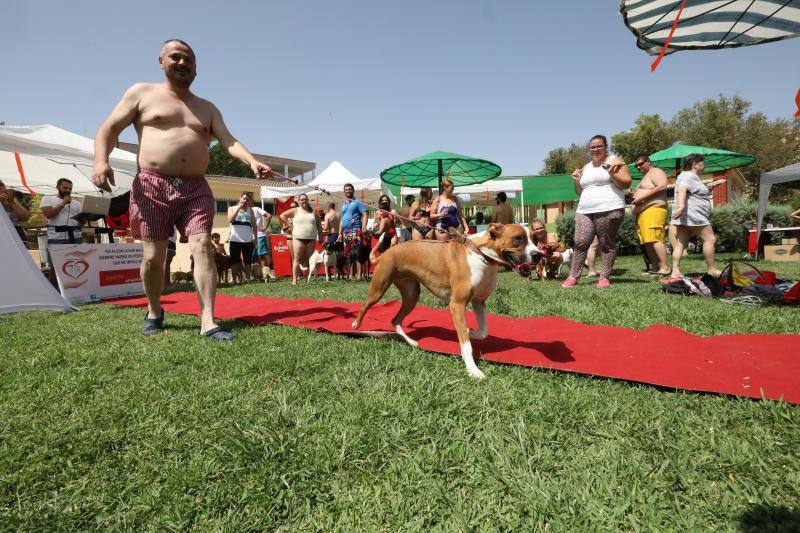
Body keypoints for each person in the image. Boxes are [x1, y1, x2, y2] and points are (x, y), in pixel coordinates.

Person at [91, 39, 271, 340]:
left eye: (189, 59)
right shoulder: (141, 93)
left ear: (196, 69)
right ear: (161, 61)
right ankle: (154, 309)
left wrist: (252, 161)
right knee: (153, 258)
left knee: (202, 246)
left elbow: (228, 141)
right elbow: (108, 128)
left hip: (195, 188)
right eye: (175, 57)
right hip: (152, 184)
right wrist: (100, 161)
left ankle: (208, 320)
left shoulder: (207, 108)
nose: (182, 62)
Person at [562, 134, 632, 288]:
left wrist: (611, 172)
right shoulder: (586, 167)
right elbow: (580, 191)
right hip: (585, 209)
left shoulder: (615, 161)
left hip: (609, 207)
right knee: (580, 242)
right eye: (592, 147)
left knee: (606, 243)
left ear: (605, 147)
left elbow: (626, 183)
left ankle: (604, 277)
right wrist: (576, 181)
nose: (595, 149)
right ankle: (573, 276)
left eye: (599, 146)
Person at [669, 154, 725, 279]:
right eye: (702, 163)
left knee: (680, 243)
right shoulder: (689, 176)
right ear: (695, 165)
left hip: (685, 218)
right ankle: (711, 269)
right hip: (694, 216)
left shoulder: (687, 176)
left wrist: (712, 185)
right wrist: (682, 206)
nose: (704, 166)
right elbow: (682, 190)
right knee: (710, 239)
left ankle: (675, 271)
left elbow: (694, 190)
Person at [631, 154, 670, 275]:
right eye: (636, 165)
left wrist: (642, 196)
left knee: (654, 238)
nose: (638, 167)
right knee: (647, 241)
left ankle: (665, 267)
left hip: (654, 209)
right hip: (643, 212)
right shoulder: (644, 177)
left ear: (648, 162)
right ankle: (655, 267)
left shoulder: (656, 171)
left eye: (640, 164)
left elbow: (662, 186)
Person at [280, 193, 324, 285]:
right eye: (302, 200)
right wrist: (289, 225)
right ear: (299, 201)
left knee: (308, 259)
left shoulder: (313, 212)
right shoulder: (295, 210)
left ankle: (307, 280)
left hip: (311, 238)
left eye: (305, 199)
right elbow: (282, 216)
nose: (304, 201)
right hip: (298, 238)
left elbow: (319, 225)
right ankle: (294, 280)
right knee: (297, 259)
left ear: (308, 200)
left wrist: (320, 236)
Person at [337, 183, 368, 280]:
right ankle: (351, 275)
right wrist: (339, 233)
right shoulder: (344, 204)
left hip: (355, 230)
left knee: (357, 253)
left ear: (353, 190)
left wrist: (364, 226)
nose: (348, 191)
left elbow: (365, 213)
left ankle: (359, 275)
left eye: (350, 189)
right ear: (344, 191)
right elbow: (342, 220)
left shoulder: (357, 201)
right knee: (349, 254)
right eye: (346, 189)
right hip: (346, 232)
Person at [40, 178, 84, 244]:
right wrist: (63, 203)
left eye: (70, 189)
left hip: (76, 238)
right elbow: (48, 215)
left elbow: (82, 222)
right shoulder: (47, 198)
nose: (68, 190)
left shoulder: (77, 203)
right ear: (57, 187)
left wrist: (86, 218)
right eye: (65, 188)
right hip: (57, 239)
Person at [227, 191, 258, 284]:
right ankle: (234, 279)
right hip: (234, 239)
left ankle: (247, 278)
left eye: (247, 200)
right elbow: (230, 220)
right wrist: (238, 209)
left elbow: (254, 225)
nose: (245, 201)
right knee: (234, 261)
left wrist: (255, 238)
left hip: (247, 240)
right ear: (240, 198)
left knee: (248, 260)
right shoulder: (231, 208)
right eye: (244, 198)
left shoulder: (250, 210)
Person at [252, 202, 275, 282]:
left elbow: (269, 215)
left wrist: (265, 227)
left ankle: (265, 275)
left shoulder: (256, 209)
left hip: (259, 236)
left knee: (261, 256)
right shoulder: (244, 211)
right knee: (254, 257)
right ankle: (257, 276)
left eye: (248, 200)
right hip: (248, 237)